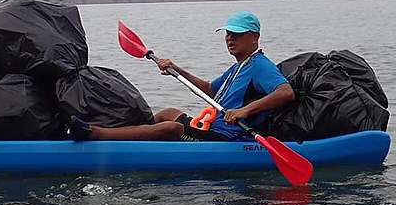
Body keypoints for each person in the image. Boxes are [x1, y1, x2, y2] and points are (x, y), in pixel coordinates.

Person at [77, 11, 295, 141]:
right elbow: (210, 90)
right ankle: (132, 138)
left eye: (237, 34)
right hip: (211, 128)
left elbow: (285, 93)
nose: (230, 38)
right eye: (228, 34)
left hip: (228, 138)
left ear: (254, 37)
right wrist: (176, 70)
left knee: (171, 128)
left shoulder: (260, 66)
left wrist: (244, 110)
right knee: (167, 113)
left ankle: (99, 134)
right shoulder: (239, 66)